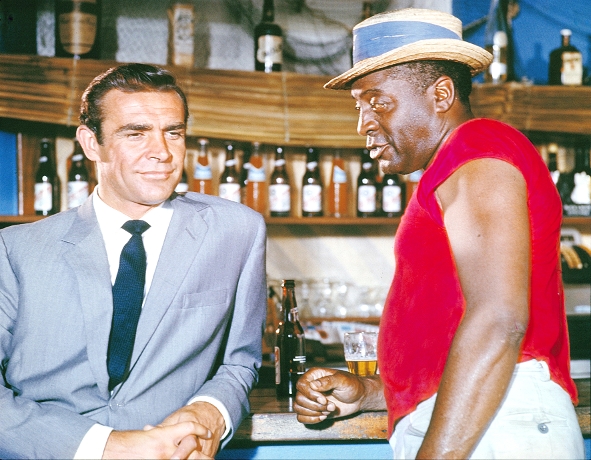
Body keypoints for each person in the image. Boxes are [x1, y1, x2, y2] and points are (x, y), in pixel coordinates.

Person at [293, 8, 585, 459]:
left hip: (498, 419)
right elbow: (448, 343)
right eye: (358, 106)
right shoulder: (453, 167)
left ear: (442, 94)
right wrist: (371, 391)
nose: (363, 124)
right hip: (484, 418)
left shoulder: (477, 146)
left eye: (378, 101)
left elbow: (497, 320)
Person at [0, 63, 267, 459]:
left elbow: (240, 363)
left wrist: (211, 411)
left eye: (173, 132)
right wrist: (107, 447)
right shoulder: (15, 249)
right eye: (136, 133)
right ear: (91, 143)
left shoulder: (237, 231)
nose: (162, 152)